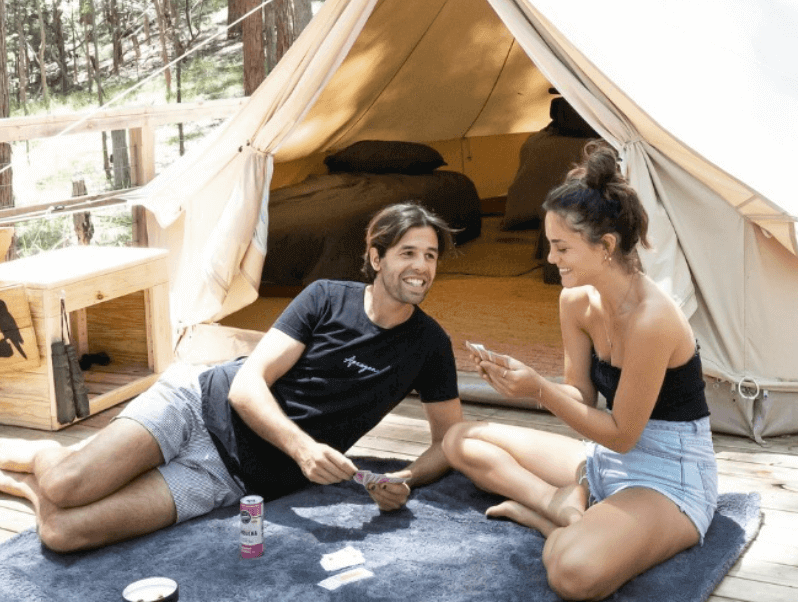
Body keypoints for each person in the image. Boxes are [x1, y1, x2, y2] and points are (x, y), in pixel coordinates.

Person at [0, 202, 463, 552]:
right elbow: (247, 385)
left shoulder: (431, 345)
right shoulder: (325, 298)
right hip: (196, 407)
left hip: (230, 477)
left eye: (430, 256)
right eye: (408, 253)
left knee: (61, 531)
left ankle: (23, 485)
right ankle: (44, 457)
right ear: (377, 258)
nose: (422, 267)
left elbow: (447, 440)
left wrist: (403, 477)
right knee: (64, 486)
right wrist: (304, 450)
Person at [442, 141, 717, 602]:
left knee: (572, 574)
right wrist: (522, 381)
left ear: (606, 246)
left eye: (562, 247)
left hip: (669, 475)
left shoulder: (652, 320)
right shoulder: (575, 302)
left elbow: (622, 435)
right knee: (460, 440)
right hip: (603, 458)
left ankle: (554, 521)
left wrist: (538, 391)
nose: (551, 259)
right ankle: (559, 505)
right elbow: (581, 397)